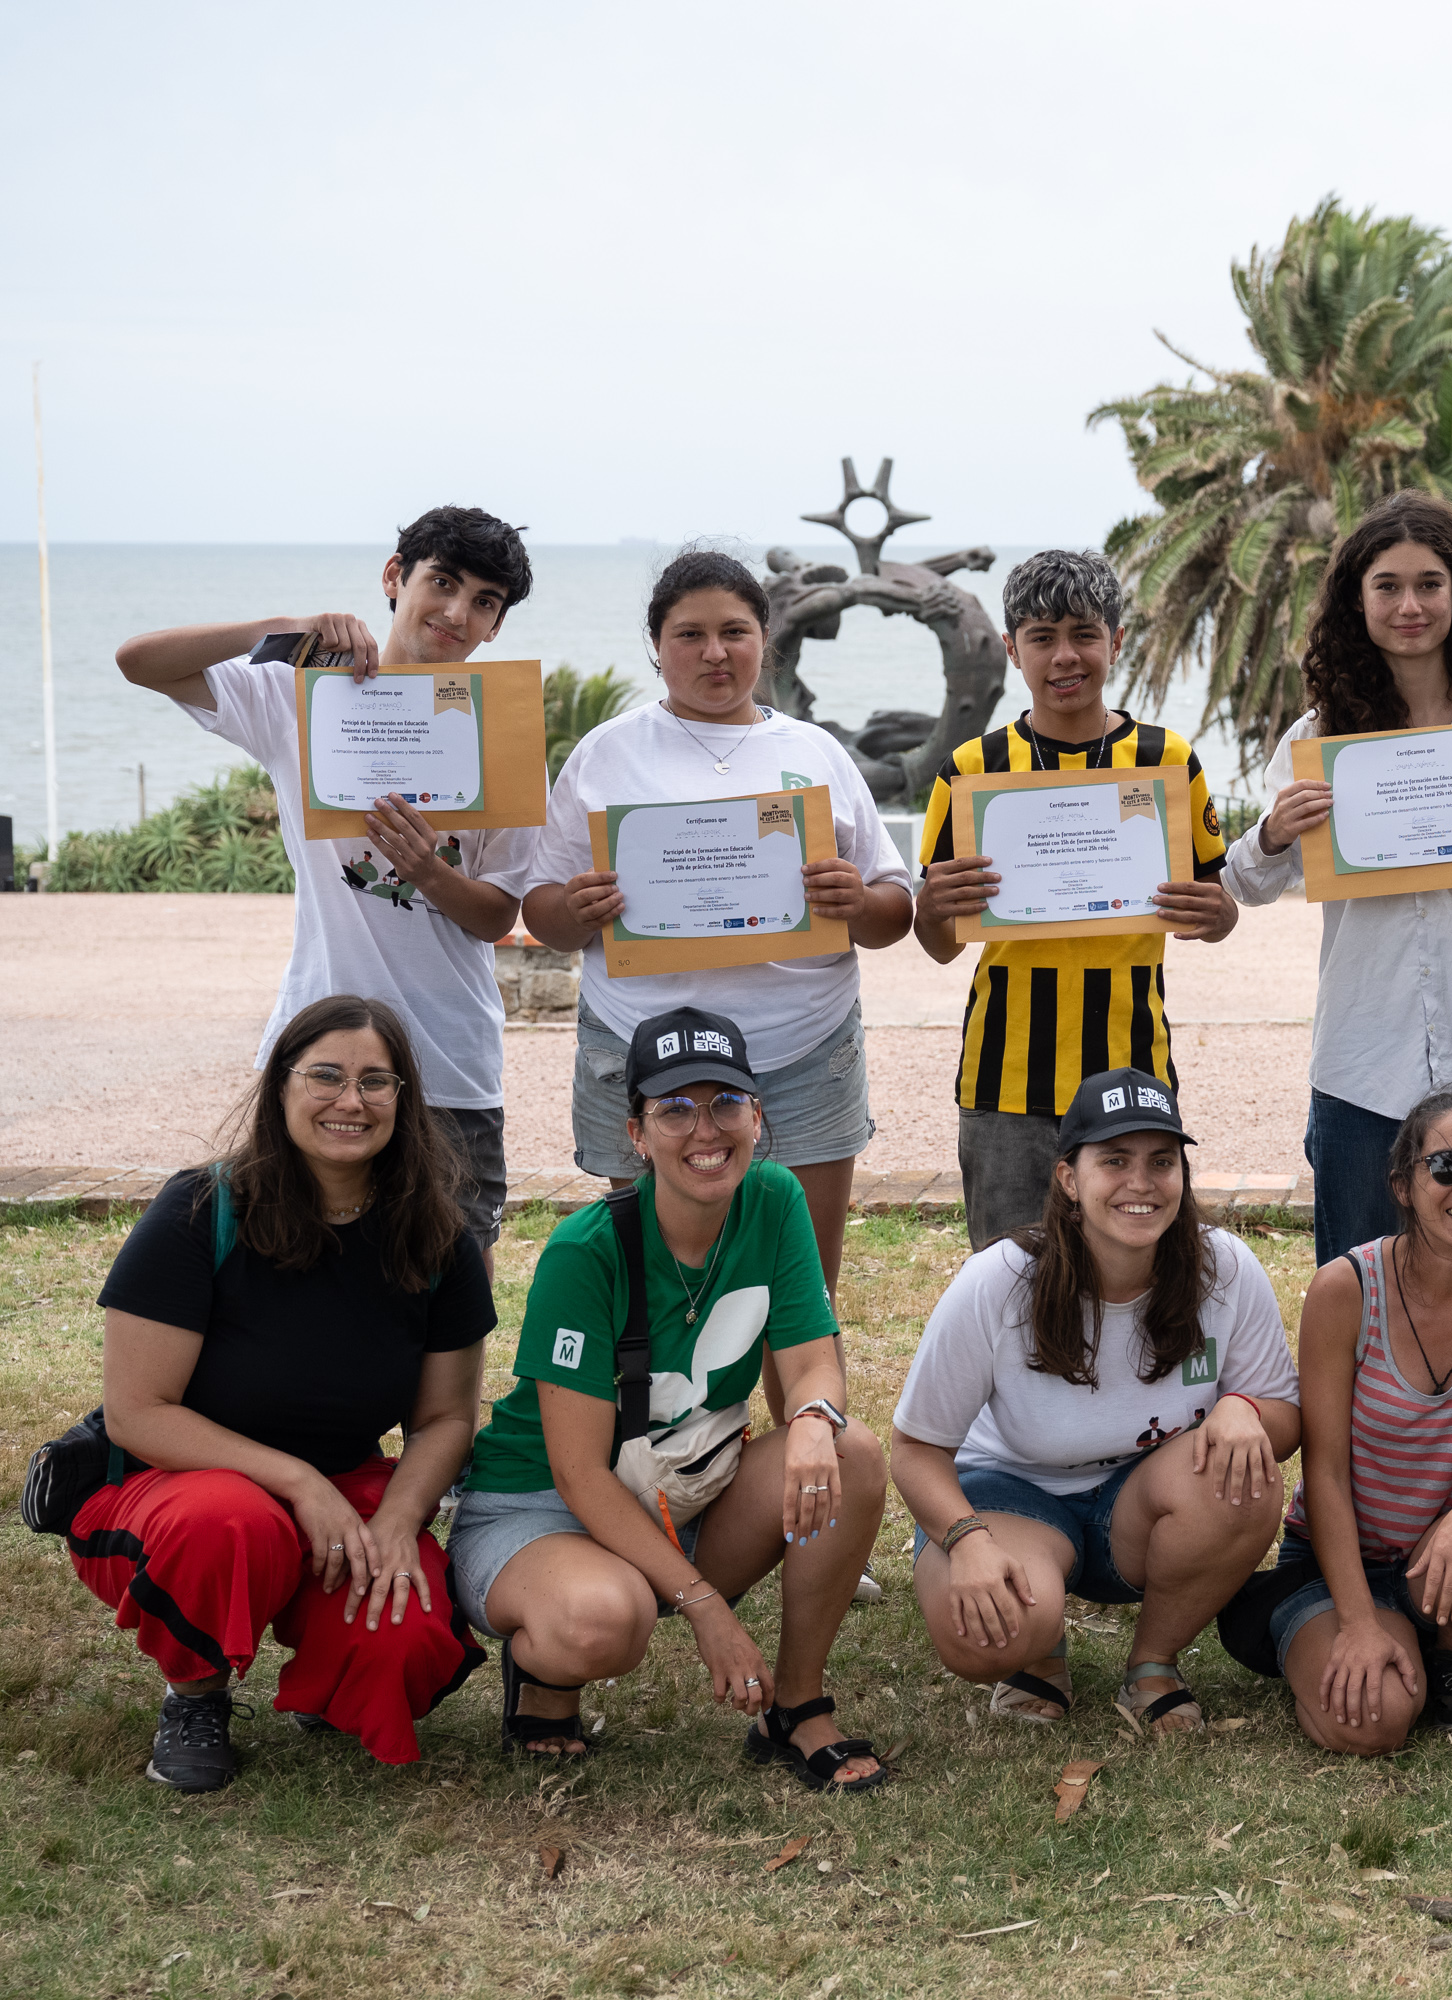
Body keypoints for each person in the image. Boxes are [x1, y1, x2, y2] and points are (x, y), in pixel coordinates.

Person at [447, 1006, 893, 1789]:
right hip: (541, 1504)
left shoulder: (775, 1199)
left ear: (757, 1116)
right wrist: (706, 1606)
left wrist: (813, 1418)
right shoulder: (584, 1251)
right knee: (602, 1620)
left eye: (726, 1103)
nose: (705, 1130)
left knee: (849, 1452)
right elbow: (579, 1474)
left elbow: (813, 1364)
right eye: (676, 1109)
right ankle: (545, 1673)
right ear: (637, 1134)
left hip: (678, 1490)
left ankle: (795, 1707)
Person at [69, 995, 494, 1790]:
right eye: (326, 1076)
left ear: (403, 1099)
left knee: (404, 1634)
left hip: (344, 1481)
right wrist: (297, 1481)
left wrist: (397, 1521)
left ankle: (330, 1682)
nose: (350, 1101)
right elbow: (137, 1412)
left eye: (375, 1081)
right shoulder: (200, 1210)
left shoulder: (436, 1237)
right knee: (232, 1522)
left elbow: (445, 1418)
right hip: (181, 1486)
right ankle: (195, 1695)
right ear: (281, 1086)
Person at [112, 509, 543, 1260]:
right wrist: (280, 629)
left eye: (484, 601)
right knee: (296, 1265)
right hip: (315, 1045)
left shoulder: (503, 731)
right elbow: (139, 661)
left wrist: (428, 871)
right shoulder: (302, 696)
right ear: (394, 577)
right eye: (442, 583)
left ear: (497, 624)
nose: (456, 613)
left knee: (453, 1275)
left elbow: (496, 916)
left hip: (449, 1060)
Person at [523, 547, 915, 1311]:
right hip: (640, 1053)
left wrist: (856, 902)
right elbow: (541, 912)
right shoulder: (607, 753)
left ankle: (797, 1395)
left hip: (803, 1054)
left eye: (734, 631)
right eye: (689, 634)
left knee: (802, 1296)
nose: (714, 652)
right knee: (653, 1297)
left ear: (765, 639)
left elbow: (893, 909)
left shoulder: (816, 752)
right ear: (656, 645)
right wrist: (573, 910)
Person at [1224, 492, 1452, 1268]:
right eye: (1387, 586)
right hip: (1361, 1067)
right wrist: (1272, 833)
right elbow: (1247, 887)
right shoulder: (1319, 738)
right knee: (1357, 1285)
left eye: (1429, 583)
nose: (1409, 606)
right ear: (1356, 600)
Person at [889, 1068, 1301, 1732]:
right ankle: (1038, 1650)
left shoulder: (1222, 1266)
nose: (1141, 1182)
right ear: (1069, 1179)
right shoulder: (998, 1280)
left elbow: (1284, 1412)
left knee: (1247, 1486)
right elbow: (914, 1448)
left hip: (1140, 1503)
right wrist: (965, 1541)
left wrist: (1244, 1408)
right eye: (1114, 1161)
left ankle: (1153, 1664)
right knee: (985, 1640)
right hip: (1009, 1493)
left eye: (1161, 1161)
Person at [910, 550, 1238, 1250]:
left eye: (1084, 634)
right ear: (1012, 650)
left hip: (1132, 1061)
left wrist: (1216, 916)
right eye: (1042, 637)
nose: (1065, 656)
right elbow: (938, 943)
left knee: (1136, 1271)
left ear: (1115, 642)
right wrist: (931, 909)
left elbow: (1216, 906)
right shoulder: (971, 770)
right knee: (1009, 1276)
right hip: (1006, 1074)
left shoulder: (1166, 759)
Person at [1262, 1090, 1452, 1754]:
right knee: (1371, 1724)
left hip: (1443, 1549)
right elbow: (1325, 1473)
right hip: (1336, 1561)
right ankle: (1335, 1634)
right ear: (1403, 1184)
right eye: (1448, 1165)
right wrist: (1356, 1622)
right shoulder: (1345, 1288)